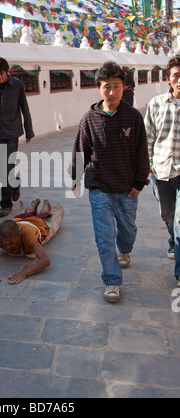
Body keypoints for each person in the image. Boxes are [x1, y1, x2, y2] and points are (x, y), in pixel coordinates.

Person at [71, 61, 149, 303]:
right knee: (104, 237)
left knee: (128, 231)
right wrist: (75, 178)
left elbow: (142, 152)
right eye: (107, 87)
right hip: (99, 187)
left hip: (127, 189)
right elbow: (79, 151)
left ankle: (125, 250)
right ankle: (112, 281)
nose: (112, 92)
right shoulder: (89, 119)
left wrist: (139, 182)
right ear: (98, 88)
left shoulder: (133, 117)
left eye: (117, 87)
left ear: (124, 87)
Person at [0, 55, 34, 217]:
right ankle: (14, 183)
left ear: (7, 71)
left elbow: (24, 108)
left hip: (12, 132)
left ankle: (6, 204)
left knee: (7, 167)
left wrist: (29, 131)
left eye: (0, 74)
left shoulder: (17, 85)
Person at [144, 55, 180, 287]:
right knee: (168, 215)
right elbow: (147, 138)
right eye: (176, 76)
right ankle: (172, 239)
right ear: (168, 79)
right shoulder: (156, 104)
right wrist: (148, 166)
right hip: (162, 171)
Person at [0, 198, 64, 285]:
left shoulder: (28, 235)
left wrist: (23, 273)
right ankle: (34, 203)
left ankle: (45, 203)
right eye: (4, 243)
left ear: (19, 235)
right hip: (18, 220)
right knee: (27, 213)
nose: (7, 247)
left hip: (35, 224)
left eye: (11, 243)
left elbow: (45, 260)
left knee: (43, 215)